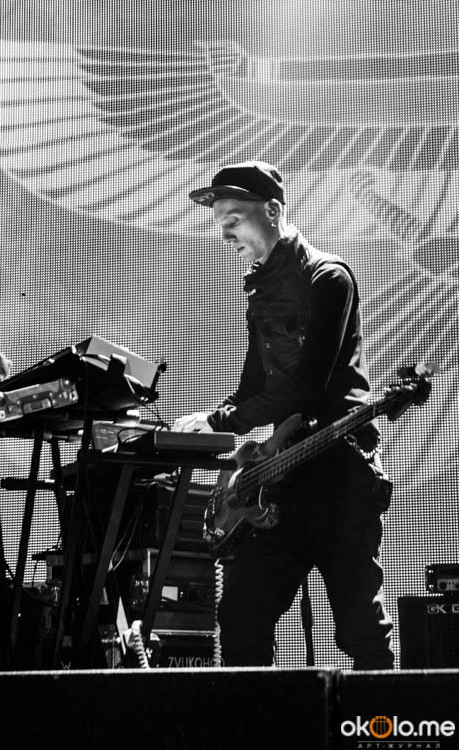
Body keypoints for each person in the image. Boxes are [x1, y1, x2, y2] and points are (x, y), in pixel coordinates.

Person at [173, 161, 394, 669]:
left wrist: (222, 423)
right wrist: (213, 417)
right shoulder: (260, 289)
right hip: (284, 481)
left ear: (272, 211)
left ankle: (382, 718)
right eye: (220, 223)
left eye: (233, 219)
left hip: (339, 474)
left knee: (361, 628)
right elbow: (255, 386)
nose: (224, 234)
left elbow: (306, 387)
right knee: (241, 619)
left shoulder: (328, 277)